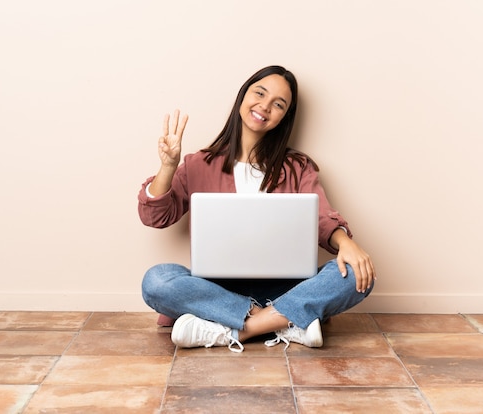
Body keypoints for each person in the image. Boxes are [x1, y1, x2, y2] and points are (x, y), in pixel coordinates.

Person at [138, 65, 375, 353]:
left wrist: (346, 243)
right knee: (156, 281)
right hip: (217, 290)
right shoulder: (199, 163)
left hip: (286, 288)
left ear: (283, 118)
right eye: (259, 93)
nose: (265, 106)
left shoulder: (298, 167)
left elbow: (322, 219)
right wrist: (168, 167)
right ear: (243, 96)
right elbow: (155, 216)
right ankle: (286, 322)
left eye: (278, 104)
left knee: (355, 272)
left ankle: (235, 329)